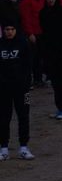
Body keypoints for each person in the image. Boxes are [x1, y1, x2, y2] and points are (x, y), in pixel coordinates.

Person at [0, 22, 32, 160]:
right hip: (3, 89)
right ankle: (4, 148)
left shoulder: (23, 44)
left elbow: (29, 64)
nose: (9, 32)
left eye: (12, 29)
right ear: (3, 30)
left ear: (16, 30)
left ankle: (24, 147)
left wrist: (27, 83)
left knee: (24, 116)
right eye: (7, 29)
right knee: (3, 118)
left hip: (23, 89)